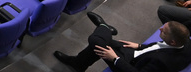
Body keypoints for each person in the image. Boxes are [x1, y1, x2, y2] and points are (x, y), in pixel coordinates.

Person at [52, 20, 190, 72]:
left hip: (130, 64)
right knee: (102, 43)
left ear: (173, 42)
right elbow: (159, 47)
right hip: (138, 53)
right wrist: (140, 46)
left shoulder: (161, 62)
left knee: (96, 41)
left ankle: (104, 27)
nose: (160, 29)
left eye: (164, 31)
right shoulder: (185, 42)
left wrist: (115, 59)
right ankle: (78, 64)